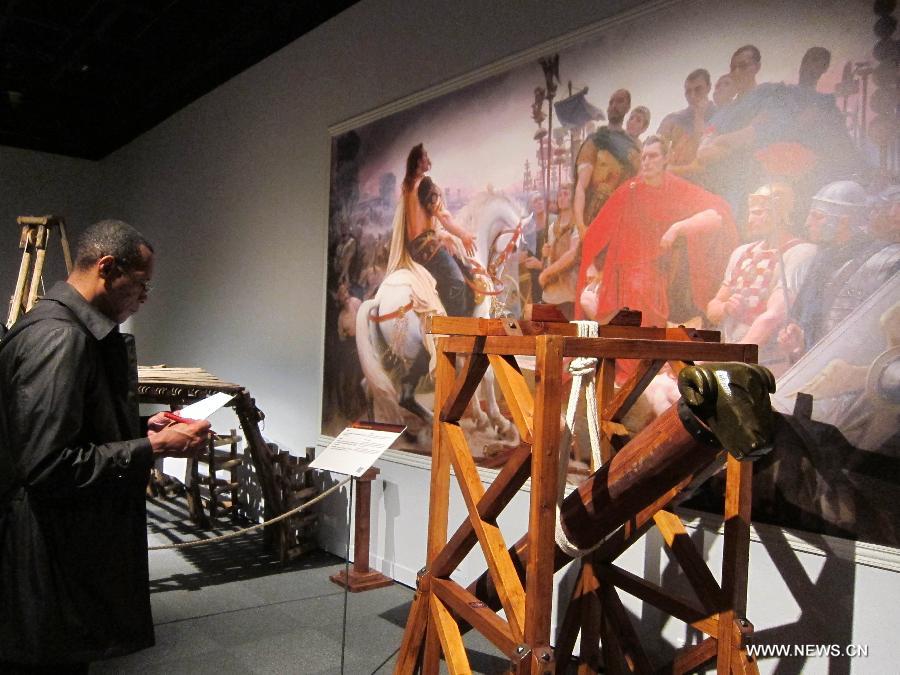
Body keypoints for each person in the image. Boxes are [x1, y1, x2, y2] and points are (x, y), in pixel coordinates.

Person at [0, 219, 211, 672]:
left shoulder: (63, 328)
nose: (145, 297)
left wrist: (143, 427)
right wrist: (153, 449)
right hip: (46, 553)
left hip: (55, 543)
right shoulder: (61, 338)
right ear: (108, 267)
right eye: (141, 284)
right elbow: (49, 464)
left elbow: (66, 427)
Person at [576, 136, 738, 330]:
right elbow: (598, 232)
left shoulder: (678, 188)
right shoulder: (629, 189)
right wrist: (591, 266)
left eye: (652, 156)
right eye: (643, 157)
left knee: (642, 299)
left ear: (665, 159)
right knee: (592, 301)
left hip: (657, 273)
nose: (646, 162)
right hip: (621, 273)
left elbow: (719, 212)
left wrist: (678, 228)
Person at [706, 184, 817, 376]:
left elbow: (773, 317)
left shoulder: (801, 252)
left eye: (758, 213)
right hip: (732, 354)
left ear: (780, 213)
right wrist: (726, 308)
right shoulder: (741, 253)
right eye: (751, 213)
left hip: (768, 364)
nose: (750, 220)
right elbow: (712, 308)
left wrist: (732, 359)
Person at [658, 69, 716, 168]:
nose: (692, 96)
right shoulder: (672, 119)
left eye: (698, 89)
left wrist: (699, 116)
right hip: (676, 177)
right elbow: (656, 151)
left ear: (708, 87)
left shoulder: (720, 114)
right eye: (688, 92)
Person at [539, 183, 580, 319]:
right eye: (559, 195)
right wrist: (545, 255)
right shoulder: (552, 227)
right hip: (550, 293)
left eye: (566, 194)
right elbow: (548, 260)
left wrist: (546, 273)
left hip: (568, 295)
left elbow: (572, 255)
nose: (562, 198)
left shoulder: (577, 225)